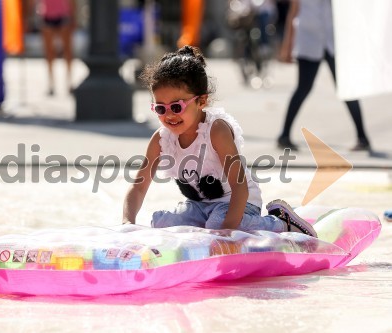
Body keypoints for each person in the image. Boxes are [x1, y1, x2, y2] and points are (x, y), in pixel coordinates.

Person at [122, 45, 317, 237]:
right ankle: (212, 226)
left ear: (201, 101)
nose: (169, 115)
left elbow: (240, 188)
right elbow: (138, 187)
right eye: (160, 109)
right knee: (163, 223)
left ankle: (281, 223)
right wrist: (128, 222)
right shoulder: (161, 139)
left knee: (216, 223)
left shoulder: (216, 130)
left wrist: (225, 233)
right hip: (199, 206)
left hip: (239, 201)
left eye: (177, 106)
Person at [277, 0, 371, 151]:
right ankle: (284, 135)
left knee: (346, 88)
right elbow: (293, 11)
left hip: (333, 40)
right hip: (309, 39)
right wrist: (287, 46)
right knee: (303, 88)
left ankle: (362, 137)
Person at [35, 0, 75, 95]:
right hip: (47, 14)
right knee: (49, 53)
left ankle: (69, 83)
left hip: (63, 14)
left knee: (67, 51)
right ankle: (51, 85)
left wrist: (73, 16)